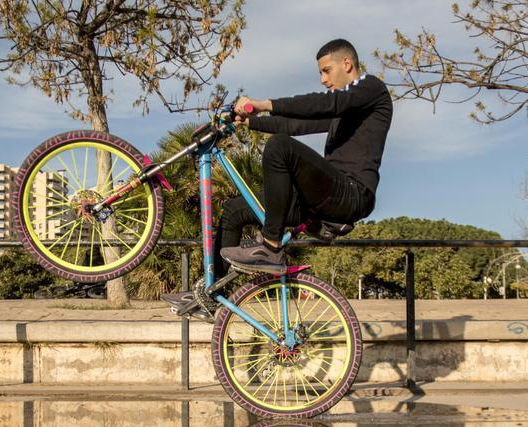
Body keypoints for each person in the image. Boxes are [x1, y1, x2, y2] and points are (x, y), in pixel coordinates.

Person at [164, 39, 392, 317]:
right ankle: (214, 296)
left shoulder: (371, 89)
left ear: (347, 64)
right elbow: (297, 123)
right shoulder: (344, 109)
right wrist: (249, 121)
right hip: (323, 197)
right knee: (235, 210)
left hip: (352, 195)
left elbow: (327, 104)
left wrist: (264, 103)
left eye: (326, 71)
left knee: (280, 147)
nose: (323, 79)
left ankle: (270, 247)